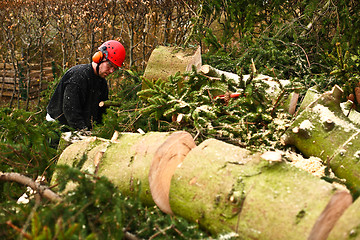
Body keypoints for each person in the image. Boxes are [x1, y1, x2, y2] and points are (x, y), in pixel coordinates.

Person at [46, 40, 126, 131]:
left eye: (114, 68)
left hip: (78, 126)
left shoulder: (102, 83)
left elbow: (101, 113)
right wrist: (84, 132)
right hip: (58, 125)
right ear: (99, 58)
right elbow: (70, 110)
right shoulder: (78, 76)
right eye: (110, 65)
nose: (111, 71)